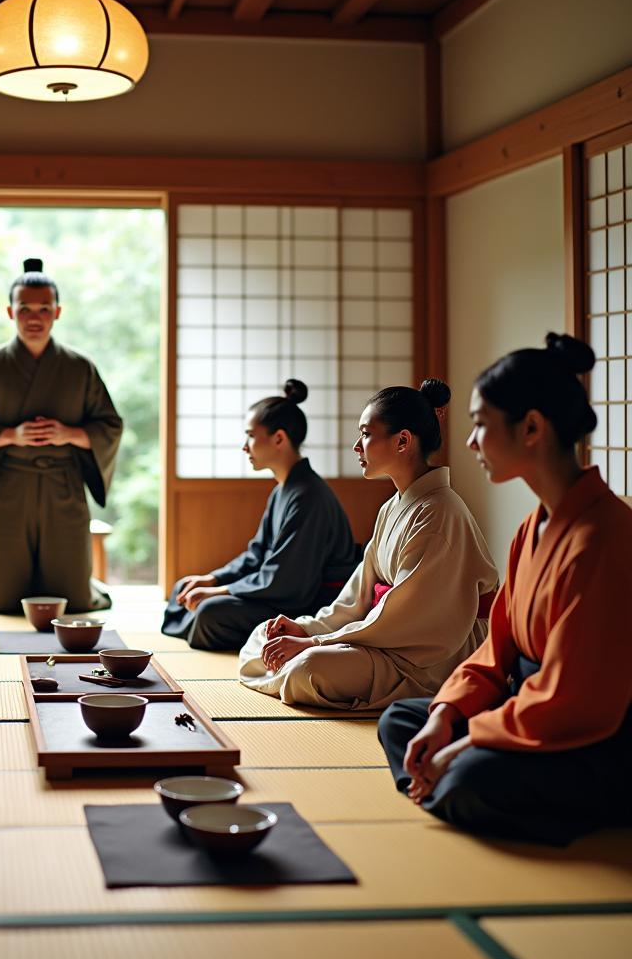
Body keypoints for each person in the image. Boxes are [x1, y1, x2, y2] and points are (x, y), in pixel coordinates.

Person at [379, 334, 632, 845]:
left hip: (588, 734)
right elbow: (497, 650)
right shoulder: (530, 528)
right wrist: (446, 717)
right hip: (525, 705)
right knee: (402, 721)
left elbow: (573, 696)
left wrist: (464, 744)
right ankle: (444, 784)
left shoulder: (605, 535)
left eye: (479, 424)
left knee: (474, 775)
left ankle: (449, 783)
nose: (470, 443)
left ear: (532, 428)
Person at [239, 379, 498, 710]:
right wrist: (305, 630)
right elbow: (357, 598)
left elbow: (407, 619)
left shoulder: (440, 512)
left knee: (309, 667)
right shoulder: (392, 507)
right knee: (264, 635)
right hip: (385, 638)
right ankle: (293, 663)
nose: (356, 446)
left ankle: (294, 668)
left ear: (403, 440)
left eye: (365, 434)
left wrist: (312, 644)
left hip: (429, 657)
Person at [0, 258, 123, 613]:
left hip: (64, 486)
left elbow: (109, 425)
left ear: (57, 312)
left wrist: (69, 433)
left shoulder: (80, 367)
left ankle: (82, 579)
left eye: (44, 308)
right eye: (24, 308)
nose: (34, 317)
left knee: (75, 602)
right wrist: (10, 435)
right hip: (9, 486)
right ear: (9, 311)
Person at [161, 379, 360, 650]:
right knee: (184, 588)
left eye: (251, 436)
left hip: (308, 602)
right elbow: (257, 554)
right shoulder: (284, 490)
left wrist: (220, 591)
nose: (245, 446)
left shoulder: (309, 495)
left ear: (279, 438)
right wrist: (214, 578)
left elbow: (286, 578)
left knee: (211, 611)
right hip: (278, 590)